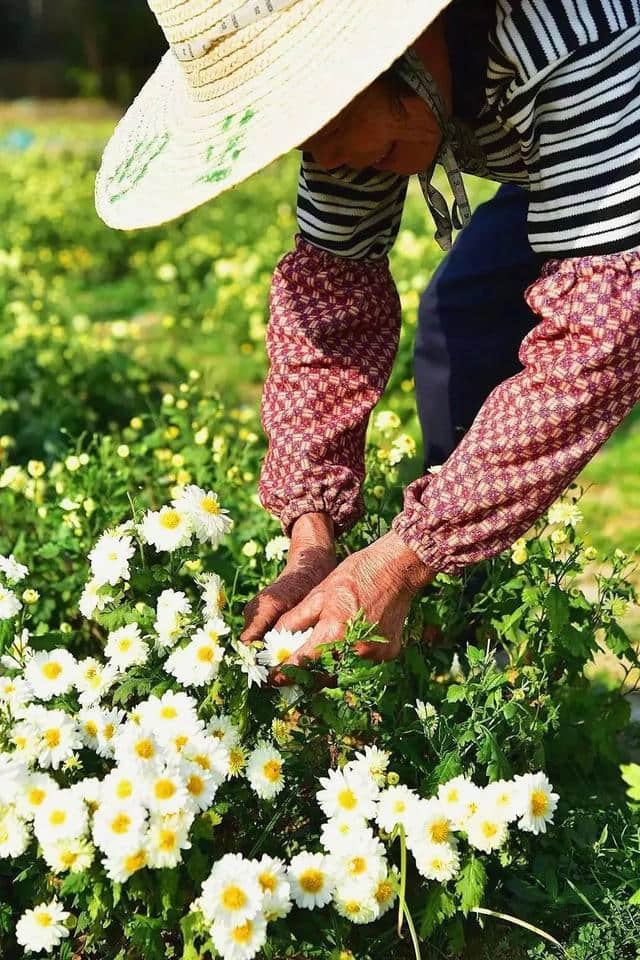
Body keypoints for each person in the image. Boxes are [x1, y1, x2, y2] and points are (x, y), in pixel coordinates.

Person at [96, 0, 640, 681]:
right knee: (464, 321)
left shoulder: (570, 38)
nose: (327, 155)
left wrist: (404, 556)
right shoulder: (358, 110)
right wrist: (311, 539)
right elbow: (329, 305)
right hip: (579, 155)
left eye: (326, 121)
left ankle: (420, 578)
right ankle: (456, 634)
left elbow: (603, 338)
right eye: (301, 134)